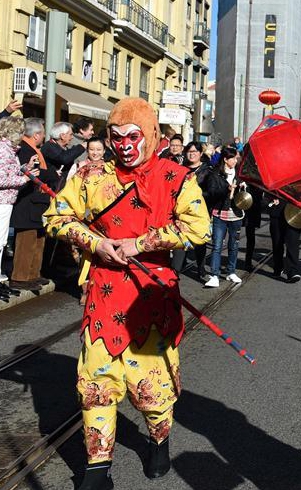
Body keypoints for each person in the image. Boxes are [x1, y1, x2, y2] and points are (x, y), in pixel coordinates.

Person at [43, 97, 210, 490]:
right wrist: (94, 243)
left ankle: (159, 439)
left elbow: (199, 228)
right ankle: (97, 468)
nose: (124, 145)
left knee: (152, 386)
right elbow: (57, 216)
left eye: (133, 136)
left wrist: (140, 243)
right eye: (115, 137)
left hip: (150, 295)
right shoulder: (90, 177)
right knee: (96, 382)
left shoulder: (176, 178)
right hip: (103, 291)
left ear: (150, 135)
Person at [9, 118, 55, 290]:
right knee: (26, 240)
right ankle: (20, 277)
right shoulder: (25, 149)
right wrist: (51, 173)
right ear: (36, 135)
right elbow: (32, 172)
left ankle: (33, 274)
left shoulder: (32, 148)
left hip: (37, 201)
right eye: (42, 132)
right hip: (27, 202)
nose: (44, 135)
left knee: (38, 239)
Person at [171, 142, 221, 279]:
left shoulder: (208, 170)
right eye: (189, 151)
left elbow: (212, 192)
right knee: (180, 239)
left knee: (199, 240)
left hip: (200, 211)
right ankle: (176, 270)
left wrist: (196, 196)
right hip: (181, 211)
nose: (192, 154)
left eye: (194, 151)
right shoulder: (181, 169)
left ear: (200, 153)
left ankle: (200, 267)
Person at [205, 147, 245, 287]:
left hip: (236, 213)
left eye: (236, 158)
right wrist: (226, 189)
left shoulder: (240, 173)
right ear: (225, 159)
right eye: (233, 158)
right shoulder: (216, 173)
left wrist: (244, 187)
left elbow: (248, 192)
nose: (236, 160)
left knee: (233, 245)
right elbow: (212, 193)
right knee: (217, 245)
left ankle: (231, 272)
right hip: (220, 213)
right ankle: (214, 275)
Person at [0, 117, 31, 294]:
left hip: (7, 200)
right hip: (2, 200)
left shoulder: (9, 150)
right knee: (0, 241)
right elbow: (1, 178)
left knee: (2, 241)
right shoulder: (4, 151)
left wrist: (26, 167)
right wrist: (23, 179)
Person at [267, 195, 301, 283]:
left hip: (295, 212)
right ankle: (278, 267)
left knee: (293, 243)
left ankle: (292, 272)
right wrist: (271, 198)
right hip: (277, 211)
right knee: (277, 243)